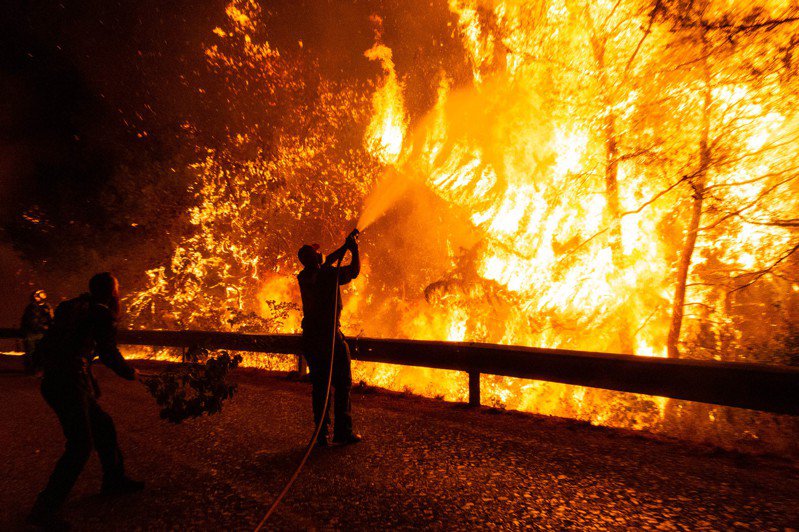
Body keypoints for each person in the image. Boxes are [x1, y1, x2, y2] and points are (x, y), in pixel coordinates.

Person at [27, 273, 143, 529]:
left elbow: (72, 347)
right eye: (117, 288)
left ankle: (114, 480)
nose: (118, 292)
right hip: (67, 383)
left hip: (60, 380)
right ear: (111, 292)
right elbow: (108, 352)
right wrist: (129, 372)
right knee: (80, 445)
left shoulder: (78, 307)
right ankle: (43, 509)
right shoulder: (100, 313)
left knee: (104, 425)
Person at [297, 233, 362, 446]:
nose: (320, 254)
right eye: (317, 253)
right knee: (342, 384)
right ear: (314, 259)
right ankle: (343, 432)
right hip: (330, 340)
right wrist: (353, 249)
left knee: (320, 387)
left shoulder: (304, 276)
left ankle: (321, 434)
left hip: (312, 341)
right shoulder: (326, 274)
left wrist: (344, 246)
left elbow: (326, 261)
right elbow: (354, 271)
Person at [20, 289, 53, 374]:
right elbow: (31, 321)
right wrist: (43, 327)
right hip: (32, 333)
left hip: (42, 333)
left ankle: (40, 368)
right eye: (39, 295)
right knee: (31, 351)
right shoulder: (31, 308)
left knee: (42, 352)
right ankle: (32, 369)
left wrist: (50, 327)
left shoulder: (47, 306)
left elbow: (51, 319)